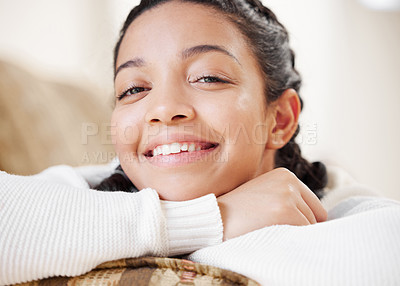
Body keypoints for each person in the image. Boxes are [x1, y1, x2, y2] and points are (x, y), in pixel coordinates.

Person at [1, 0, 399, 285]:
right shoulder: (92, 190)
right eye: (134, 88)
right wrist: (215, 218)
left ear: (279, 119)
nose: (163, 108)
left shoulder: (352, 216)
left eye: (208, 77)